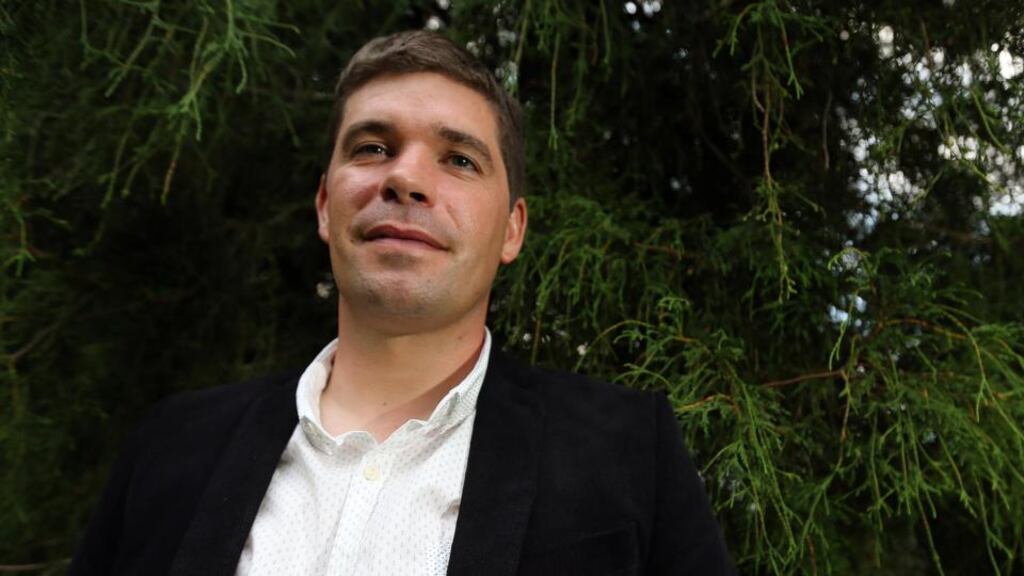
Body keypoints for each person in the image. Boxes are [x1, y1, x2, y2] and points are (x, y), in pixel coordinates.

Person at [69, 30, 733, 575]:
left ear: (512, 229)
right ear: (326, 205)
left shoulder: (628, 454)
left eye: (460, 160)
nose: (406, 178)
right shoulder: (173, 446)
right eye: (373, 147)